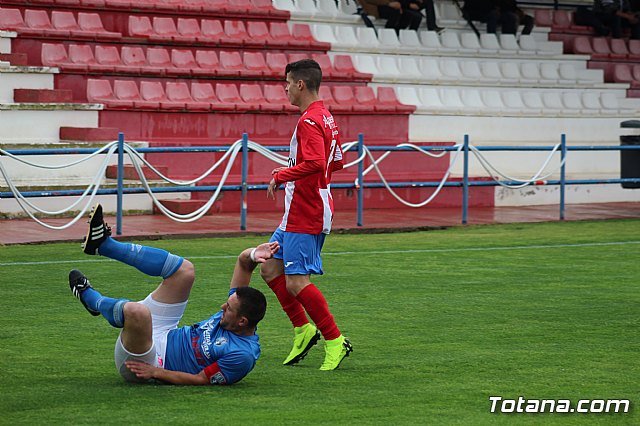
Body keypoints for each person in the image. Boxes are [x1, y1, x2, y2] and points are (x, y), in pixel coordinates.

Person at [69, 203, 278, 385]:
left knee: (138, 312)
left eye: (229, 308)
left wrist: (156, 372)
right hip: (165, 331)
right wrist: (253, 254)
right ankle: (104, 245)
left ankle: (91, 299)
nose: (223, 307)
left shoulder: (242, 355)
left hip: (147, 361)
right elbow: (243, 263)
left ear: (242, 321)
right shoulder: (237, 311)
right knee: (184, 271)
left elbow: (201, 380)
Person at [260, 59, 352, 371]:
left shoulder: (309, 121)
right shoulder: (326, 118)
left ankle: (335, 340)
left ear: (300, 84)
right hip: (302, 207)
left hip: (306, 208)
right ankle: (303, 329)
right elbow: (336, 161)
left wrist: (283, 175)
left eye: (287, 82)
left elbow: (314, 162)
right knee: (270, 269)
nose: (284, 88)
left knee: (297, 282)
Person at [462, 0, 534, 35]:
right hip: (478, 13)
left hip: (498, 12)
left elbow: (510, 5)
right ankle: (491, 37)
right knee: (496, 15)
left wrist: (518, 11)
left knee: (527, 19)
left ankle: (513, 39)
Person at [358, 0, 423, 32]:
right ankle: (388, 32)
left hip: (390, 6)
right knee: (395, 12)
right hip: (375, 7)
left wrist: (398, 5)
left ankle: (397, 33)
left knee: (409, 15)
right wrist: (389, 3)